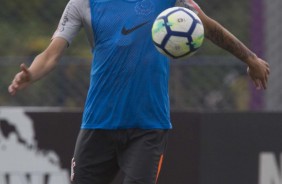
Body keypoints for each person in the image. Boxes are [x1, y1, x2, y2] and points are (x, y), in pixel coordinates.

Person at [8, 0, 270, 183]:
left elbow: (208, 27)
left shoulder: (169, 1)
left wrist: (250, 58)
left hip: (148, 127)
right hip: (99, 124)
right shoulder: (83, 4)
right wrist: (31, 73)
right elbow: (52, 54)